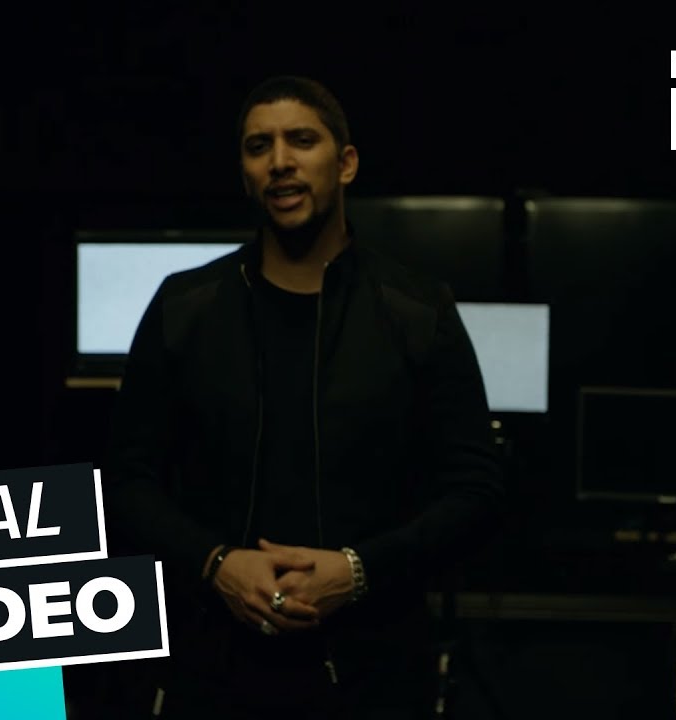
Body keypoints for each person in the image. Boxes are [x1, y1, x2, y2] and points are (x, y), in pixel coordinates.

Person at [102, 75, 504, 719]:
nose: (280, 161)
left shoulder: (416, 310)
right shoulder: (185, 307)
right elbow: (126, 481)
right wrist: (216, 564)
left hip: (374, 676)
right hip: (212, 672)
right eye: (258, 146)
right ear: (245, 172)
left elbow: (476, 490)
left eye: (301, 140)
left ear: (345, 163)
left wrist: (360, 570)